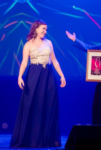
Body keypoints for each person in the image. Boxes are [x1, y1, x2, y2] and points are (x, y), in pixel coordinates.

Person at [10, 20, 66, 148]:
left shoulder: (49, 43)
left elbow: (54, 60)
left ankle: (48, 138)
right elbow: (24, 62)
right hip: (34, 76)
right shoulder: (28, 45)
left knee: (49, 105)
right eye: (43, 29)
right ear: (35, 29)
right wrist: (19, 76)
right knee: (34, 105)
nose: (45, 31)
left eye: (46, 29)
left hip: (48, 76)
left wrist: (62, 75)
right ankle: (32, 138)